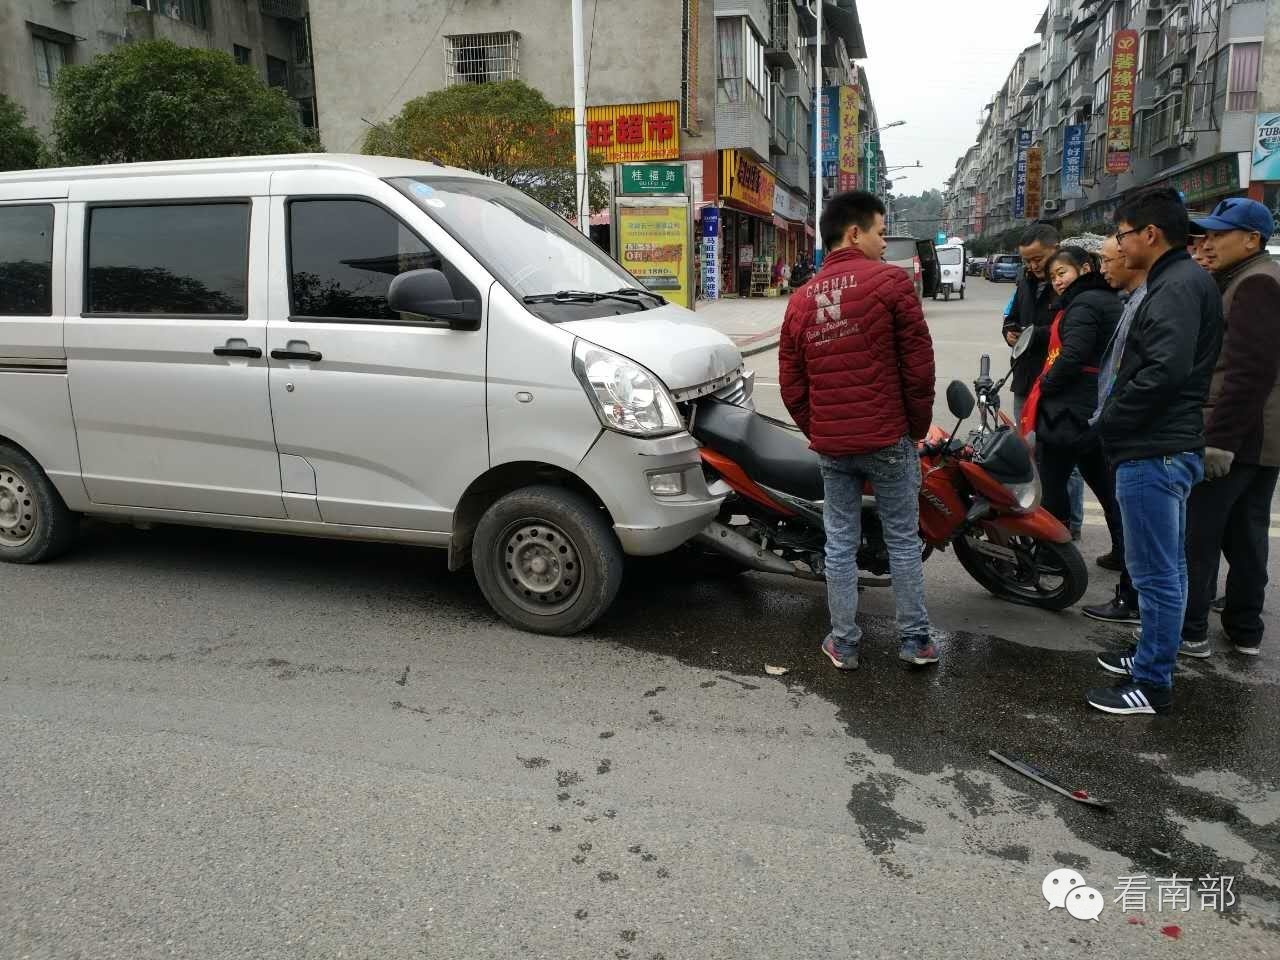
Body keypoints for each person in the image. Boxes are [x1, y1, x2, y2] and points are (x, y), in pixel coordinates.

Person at [778, 190, 938, 671]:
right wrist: (915, 429)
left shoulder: (801, 301)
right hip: (889, 439)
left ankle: (844, 644)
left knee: (840, 544)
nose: (885, 245)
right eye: (881, 234)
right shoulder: (891, 285)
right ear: (854, 233)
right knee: (903, 541)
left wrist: (820, 429)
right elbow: (919, 370)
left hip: (834, 448)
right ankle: (915, 641)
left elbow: (791, 385)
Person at [1088, 188, 1222, 715]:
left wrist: (1112, 425)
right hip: (1159, 443)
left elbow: (1162, 372)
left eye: (1122, 235)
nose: (1118, 247)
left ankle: (1151, 683)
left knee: (1156, 572)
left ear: (1149, 234)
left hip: (1153, 446)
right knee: (1166, 569)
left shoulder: (1177, 286)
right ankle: (1150, 655)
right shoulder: (1173, 281)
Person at [1179, 198, 1280, 658]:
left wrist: (1220, 441)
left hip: (1238, 436)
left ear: (1252, 239)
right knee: (1246, 534)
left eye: (1220, 235)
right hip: (1256, 438)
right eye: (1206, 235)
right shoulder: (1246, 277)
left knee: (1201, 537)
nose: (1209, 243)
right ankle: (1244, 630)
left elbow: (1248, 372)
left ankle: (1192, 631)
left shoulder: (1256, 282)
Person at [1019, 247, 1125, 566]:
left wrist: (1047, 385)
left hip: (1070, 412)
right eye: (1052, 277)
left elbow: (1074, 355)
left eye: (1062, 273)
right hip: (1094, 408)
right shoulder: (1104, 299)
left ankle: (1053, 555)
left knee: (1052, 484)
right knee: (1107, 487)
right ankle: (1124, 550)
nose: (1057, 282)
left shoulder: (1085, 303)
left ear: (1085, 267)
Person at [1003, 223, 1084, 538]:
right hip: (1025, 379)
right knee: (1029, 454)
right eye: (1027, 260)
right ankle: (1041, 519)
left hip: (1056, 382)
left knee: (1063, 459)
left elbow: (1073, 334)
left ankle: (1071, 524)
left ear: (1056, 249)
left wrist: (1031, 335)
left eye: (1038, 259)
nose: (1033, 266)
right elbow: (1012, 315)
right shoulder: (1025, 281)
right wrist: (1009, 331)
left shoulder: (1071, 284)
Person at [1081, 235, 1145, 624]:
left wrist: (1112, 418)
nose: (1102, 267)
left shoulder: (1161, 296)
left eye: (1107, 260)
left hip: (1142, 440)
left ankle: (1153, 662)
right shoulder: (1131, 299)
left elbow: (1157, 374)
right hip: (1126, 433)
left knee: (1150, 548)